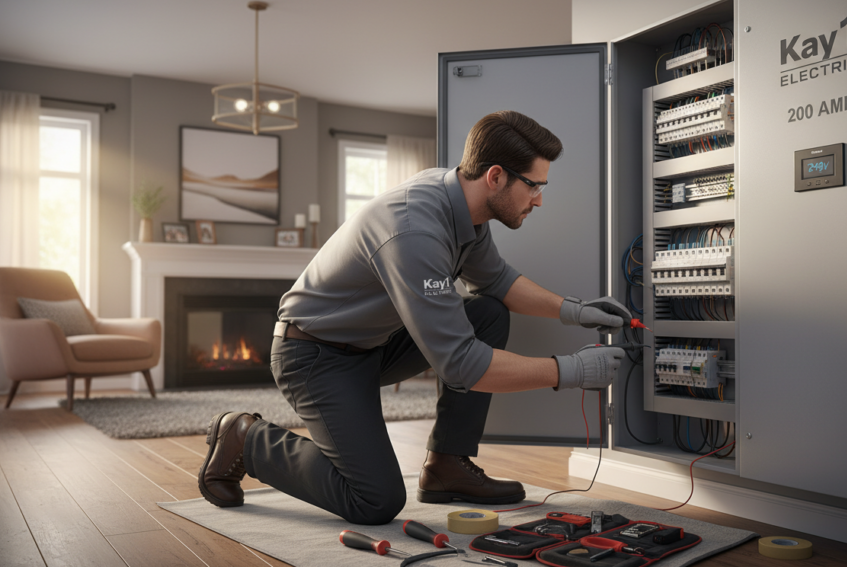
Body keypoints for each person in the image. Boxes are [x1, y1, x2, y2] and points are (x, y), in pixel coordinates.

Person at [197, 111, 630, 525]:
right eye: (534, 186)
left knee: (487, 312)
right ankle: (245, 437)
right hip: (314, 356)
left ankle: (447, 465)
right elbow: (460, 363)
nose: (539, 199)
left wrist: (575, 311)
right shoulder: (416, 229)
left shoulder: (464, 206)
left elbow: (496, 280)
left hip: (374, 345)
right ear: (495, 176)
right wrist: (571, 371)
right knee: (375, 499)